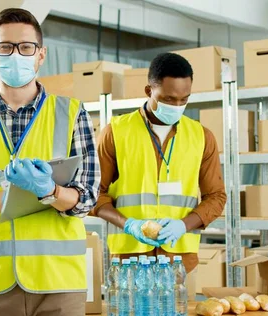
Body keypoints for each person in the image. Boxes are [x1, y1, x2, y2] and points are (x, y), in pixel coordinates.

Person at [0, 8, 100, 316]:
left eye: (26, 47)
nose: (16, 55)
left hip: (59, 282)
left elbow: (87, 196)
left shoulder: (72, 113)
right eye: (6, 47)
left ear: (41, 55)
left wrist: (49, 189)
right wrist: (14, 197)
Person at [94, 52, 227, 296]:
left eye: (184, 99)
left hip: (181, 265)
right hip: (128, 266)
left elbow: (216, 197)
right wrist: (130, 225)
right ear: (148, 90)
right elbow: (94, 194)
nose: (177, 106)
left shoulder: (201, 136)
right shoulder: (115, 132)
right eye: (168, 99)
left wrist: (182, 225)